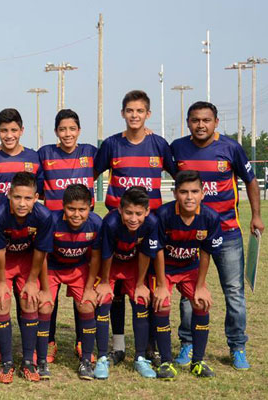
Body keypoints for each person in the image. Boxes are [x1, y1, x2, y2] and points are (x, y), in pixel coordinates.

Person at [171, 101, 264, 370]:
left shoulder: (231, 148)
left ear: (216, 123)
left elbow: (251, 181)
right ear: (188, 123)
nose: (201, 125)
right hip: (189, 234)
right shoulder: (177, 148)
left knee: (233, 292)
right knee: (189, 292)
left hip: (227, 232)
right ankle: (188, 343)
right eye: (195, 120)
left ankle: (237, 347)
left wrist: (256, 215)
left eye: (206, 120)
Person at [94, 90, 176, 366]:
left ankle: (149, 346)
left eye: (140, 111)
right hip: (118, 225)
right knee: (116, 291)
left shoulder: (159, 144)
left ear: (148, 114)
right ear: (123, 113)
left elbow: (181, 176)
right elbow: (90, 173)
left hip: (150, 226)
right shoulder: (112, 144)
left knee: (146, 289)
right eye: (130, 110)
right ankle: (118, 346)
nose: (134, 115)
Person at [38, 109, 97, 363]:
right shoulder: (45, 153)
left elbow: (114, 157)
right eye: (62, 129)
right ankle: (49, 342)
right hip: (54, 230)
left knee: (81, 293)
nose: (67, 133)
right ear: (56, 132)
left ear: (79, 131)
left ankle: (82, 342)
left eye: (72, 129)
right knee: (48, 297)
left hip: (80, 228)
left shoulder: (91, 152)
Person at [152, 170, 223, 380]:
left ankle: (197, 362)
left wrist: (200, 286)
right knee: (162, 304)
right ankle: (166, 362)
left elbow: (206, 252)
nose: (189, 197)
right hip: (165, 269)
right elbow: (157, 250)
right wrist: (161, 284)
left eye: (194, 192)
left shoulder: (210, 217)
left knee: (201, 303)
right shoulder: (163, 215)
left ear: (203, 193)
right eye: (183, 192)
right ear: (175, 193)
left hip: (189, 268)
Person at [0, 172, 54, 383]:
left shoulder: (44, 216)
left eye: (27, 198)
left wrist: (33, 281)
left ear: (36, 198)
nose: (22, 203)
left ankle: (28, 361)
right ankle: (7, 362)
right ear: (9, 194)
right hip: (4, 262)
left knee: (30, 299)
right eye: (17, 197)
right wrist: (0, 282)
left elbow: (41, 251)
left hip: (27, 261)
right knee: (1, 301)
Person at [94, 186, 161, 379]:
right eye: (129, 213)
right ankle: (102, 357)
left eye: (138, 214)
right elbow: (106, 254)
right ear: (120, 210)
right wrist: (105, 282)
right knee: (104, 299)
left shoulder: (152, 223)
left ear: (147, 212)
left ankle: (140, 357)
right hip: (111, 265)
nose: (133, 218)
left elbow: (146, 254)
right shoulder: (110, 222)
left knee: (141, 300)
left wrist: (140, 284)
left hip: (133, 266)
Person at [45, 184, 102, 380]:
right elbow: (42, 255)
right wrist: (42, 287)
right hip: (52, 267)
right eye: (71, 209)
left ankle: (85, 356)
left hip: (78, 268)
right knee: (44, 305)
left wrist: (89, 288)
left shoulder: (96, 223)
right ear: (63, 206)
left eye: (82, 209)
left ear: (90, 206)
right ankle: (46, 348)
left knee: (87, 305)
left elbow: (95, 257)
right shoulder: (52, 222)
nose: (76, 214)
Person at [0, 108, 44, 212]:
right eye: (4, 130)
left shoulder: (34, 158)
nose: (9, 135)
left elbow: (40, 192)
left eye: (14, 130)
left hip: (26, 221)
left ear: (21, 131)